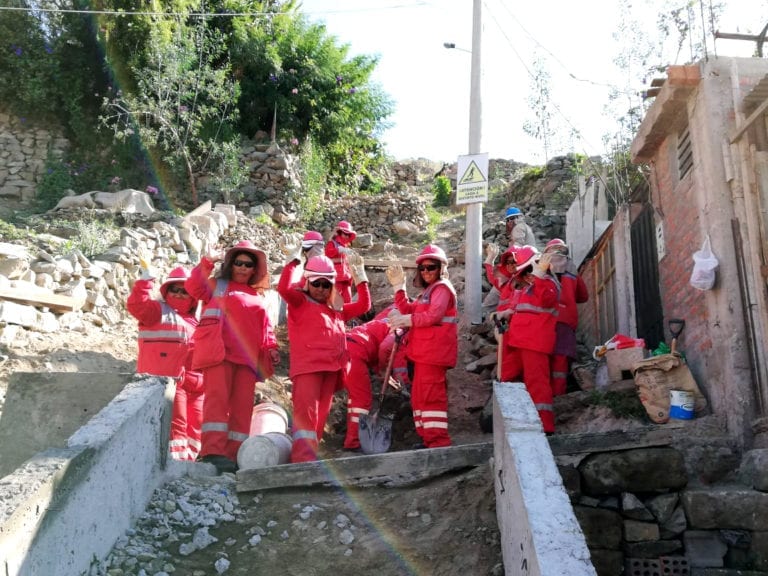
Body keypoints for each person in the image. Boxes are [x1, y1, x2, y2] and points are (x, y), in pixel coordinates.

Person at [184, 240, 279, 474]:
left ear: (255, 269)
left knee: (242, 409)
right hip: (220, 354)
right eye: (239, 263)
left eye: (248, 264)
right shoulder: (217, 285)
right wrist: (207, 261)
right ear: (230, 264)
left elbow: (265, 328)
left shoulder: (258, 296)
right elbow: (193, 287)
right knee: (216, 403)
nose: (244, 268)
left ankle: (236, 454)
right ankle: (212, 452)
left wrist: (272, 348)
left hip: (247, 360)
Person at [278, 245, 371, 463]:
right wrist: (292, 263)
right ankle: (301, 460)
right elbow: (283, 289)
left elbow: (364, 305)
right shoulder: (299, 302)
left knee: (319, 418)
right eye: (316, 283)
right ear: (307, 282)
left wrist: (361, 278)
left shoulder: (335, 311)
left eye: (326, 284)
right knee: (306, 417)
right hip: (308, 369)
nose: (321, 288)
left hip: (331, 369)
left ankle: (309, 458)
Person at [127, 262, 203, 462]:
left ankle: (189, 463)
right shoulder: (156, 311)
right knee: (176, 425)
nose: (179, 294)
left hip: (195, 386)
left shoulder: (197, 322)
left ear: (193, 296)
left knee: (196, 427)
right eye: (174, 290)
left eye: (185, 291)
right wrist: (145, 282)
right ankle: (176, 466)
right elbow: (137, 305)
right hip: (168, 383)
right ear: (166, 291)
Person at [386, 244, 458, 449]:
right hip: (422, 354)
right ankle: (428, 439)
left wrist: (406, 319)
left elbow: (433, 315)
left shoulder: (442, 289)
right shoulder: (428, 292)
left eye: (431, 267)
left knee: (431, 399)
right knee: (419, 399)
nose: (426, 271)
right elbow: (410, 309)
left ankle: (438, 443)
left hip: (433, 355)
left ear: (441, 268)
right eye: (423, 268)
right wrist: (399, 288)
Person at [494, 246, 559, 434]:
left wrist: (539, 275)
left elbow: (547, 299)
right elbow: (518, 309)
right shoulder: (527, 288)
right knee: (504, 378)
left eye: (530, 270)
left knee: (537, 384)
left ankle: (544, 426)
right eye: (526, 272)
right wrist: (506, 314)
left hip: (534, 344)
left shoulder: (548, 284)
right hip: (516, 341)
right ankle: (512, 420)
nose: (529, 275)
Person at [342, 305, 409, 451]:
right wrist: (385, 371)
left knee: (355, 398)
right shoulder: (399, 328)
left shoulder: (379, 321)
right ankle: (354, 442)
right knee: (362, 401)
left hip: (342, 347)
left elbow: (375, 346)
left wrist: (381, 372)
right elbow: (385, 347)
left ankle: (350, 438)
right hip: (354, 353)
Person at [544, 238, 589, 396]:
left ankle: (544, 395)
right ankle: (560, 396)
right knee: (561, 360)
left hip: (545, 320)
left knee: (543, 359)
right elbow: (583, 296)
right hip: (566, 320)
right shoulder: (571, 267)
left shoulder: (541, 266)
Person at [325, 220, 357, 303]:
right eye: (345, 233)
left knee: (347, 300)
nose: (347, 236)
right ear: (339, 233)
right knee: (335, 301)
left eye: (348, 234)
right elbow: (328, 253)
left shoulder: (345, 246)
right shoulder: (332, 243)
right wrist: (339, 250)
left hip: (346, 278)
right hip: (336, 278)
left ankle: (345, 315)